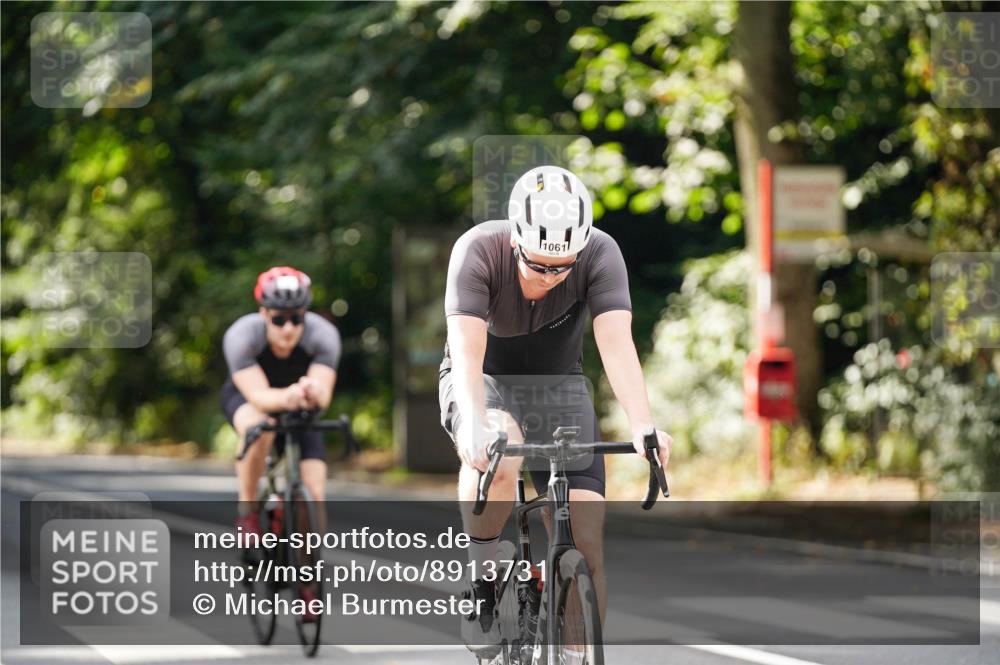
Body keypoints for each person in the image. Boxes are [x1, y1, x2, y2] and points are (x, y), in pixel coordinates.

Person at [438, 165, 673, 658]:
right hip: (484, 378)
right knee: (498, 457)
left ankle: (573, 652)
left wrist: (642, 424)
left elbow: (615, 341)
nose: (550, 277)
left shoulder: (601, 253)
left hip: (559, 385)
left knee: (586, 541)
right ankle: (483, 580)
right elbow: (466, 351)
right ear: (516, 241)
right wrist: (477, 425)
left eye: (562, 267)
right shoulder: (478, 250)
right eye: (539, 264)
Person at [221, 266, 342, 536]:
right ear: (264, 313)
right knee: (259, 427)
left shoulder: (323, 335)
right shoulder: (241, 335)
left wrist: (313, 392)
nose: (288, 328)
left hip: (298, 406)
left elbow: (324, 394)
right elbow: (258, 397)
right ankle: (248, 511)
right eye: (279, 320)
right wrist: (290, 396)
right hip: (247, 398)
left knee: (314, 489)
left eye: (297, 319)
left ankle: (309, 573)